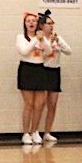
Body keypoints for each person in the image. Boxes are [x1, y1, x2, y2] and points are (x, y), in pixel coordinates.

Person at [16, 12, 52, 145]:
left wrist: (42, 40)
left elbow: (49, 52)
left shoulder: (41, 37)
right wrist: (36, 40)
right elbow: (24, 51)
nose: (31, 23)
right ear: (25, 24)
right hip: (27, 69)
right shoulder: (21, 37)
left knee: (40, 104)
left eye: (33, 21)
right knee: (29, 104)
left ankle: (35, 131)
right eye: (28, 21)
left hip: (40, 69)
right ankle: (26, 133)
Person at [39, 10, 71, 142]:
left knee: (52, 104)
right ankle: (34, 131)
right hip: (43, 70)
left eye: (52, 23)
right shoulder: (40, 39)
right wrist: (50, 45)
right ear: (41, 26)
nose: (51, 26)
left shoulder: (57, 37)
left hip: (55, 71)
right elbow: (40, 56)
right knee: (40, 103)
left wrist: (58, 41)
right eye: (48, 24)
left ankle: (47, 132)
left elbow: (69, 51)